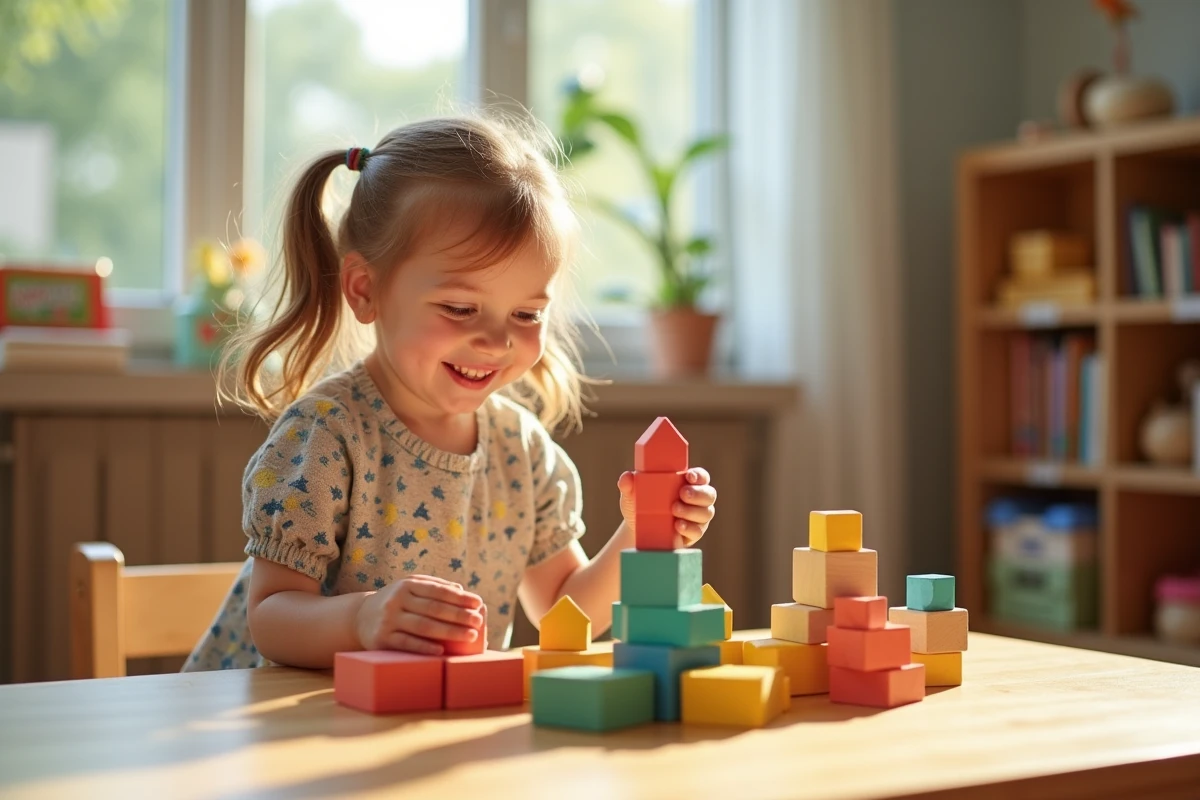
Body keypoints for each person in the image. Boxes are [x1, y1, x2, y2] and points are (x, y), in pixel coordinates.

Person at [185, 114, 718, 671]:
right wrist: (362, 618)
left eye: (527, 313)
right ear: (366, 290)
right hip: (276, 731)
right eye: (460, 308)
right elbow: (270, 617)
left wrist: (642, 532)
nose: (495, 340)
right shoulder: (326, 435)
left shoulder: (522, 451)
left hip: (414, 731)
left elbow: (564, 608)